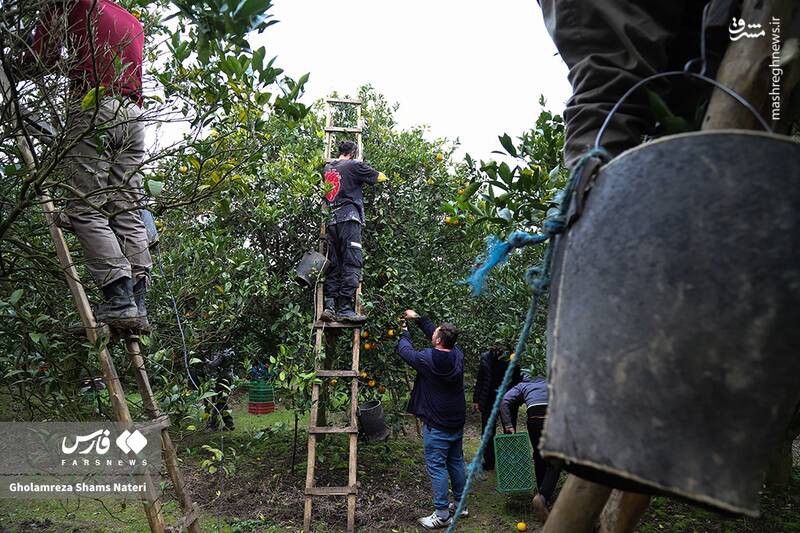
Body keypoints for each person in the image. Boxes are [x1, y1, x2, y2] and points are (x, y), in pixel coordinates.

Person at [29, 0, 151, 330]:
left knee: (84, 208)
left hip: (96, 106)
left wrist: (17, 63)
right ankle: (138, 303)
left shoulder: (73, 2)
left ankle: (119, 298)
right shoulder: (131, 21)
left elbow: (39, 56)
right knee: (125, 207)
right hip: (135, 117)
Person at [398, 309, 467, 529]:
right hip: (456, 419)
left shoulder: (427, 359)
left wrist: (404, 331)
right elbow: (437, 334)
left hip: (437, 423)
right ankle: (461, 504)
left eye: (435, 333)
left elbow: (405, 350)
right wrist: (419, 319)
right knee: (455, 461)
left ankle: (442, 514)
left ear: (437, 340)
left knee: (437, 467)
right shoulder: (457, 353)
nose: (433, 334)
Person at [320, 140, 387, 323]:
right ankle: (345, 309)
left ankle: (329, 306)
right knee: (352, 263)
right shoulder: (354, 165)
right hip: (349, 218)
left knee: (334, 263)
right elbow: (380, 177)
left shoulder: (327, 169)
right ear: (353, 152)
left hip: (332, 221)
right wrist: (363, 168)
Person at [500, 375, 561, 522]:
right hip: (552, 418)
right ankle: (543, 496)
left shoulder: (523, 385)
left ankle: (541, 490)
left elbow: (504, 400)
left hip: (534, 420)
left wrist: (508, 425)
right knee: (557, 460)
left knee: (539, 455)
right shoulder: (553, 381)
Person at [472, 342, 521, 471]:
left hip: (508, 399)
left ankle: (509, 461)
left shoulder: (513, 357)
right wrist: (476, 399)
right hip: (489, 399)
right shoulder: (486, 357)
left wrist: (517, 398)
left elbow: (518, 380)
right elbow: (480, 380)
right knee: (487, 431)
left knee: (509, 429)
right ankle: (489, 462)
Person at [203, 348, 236, 431]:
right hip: (228, 377)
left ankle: (216, 424)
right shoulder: (230, 351)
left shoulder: (223, 353)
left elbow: (213, 365)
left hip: (223, 379)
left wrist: (205, 360)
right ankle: (224, 423)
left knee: (220, 402)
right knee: (220, 402)